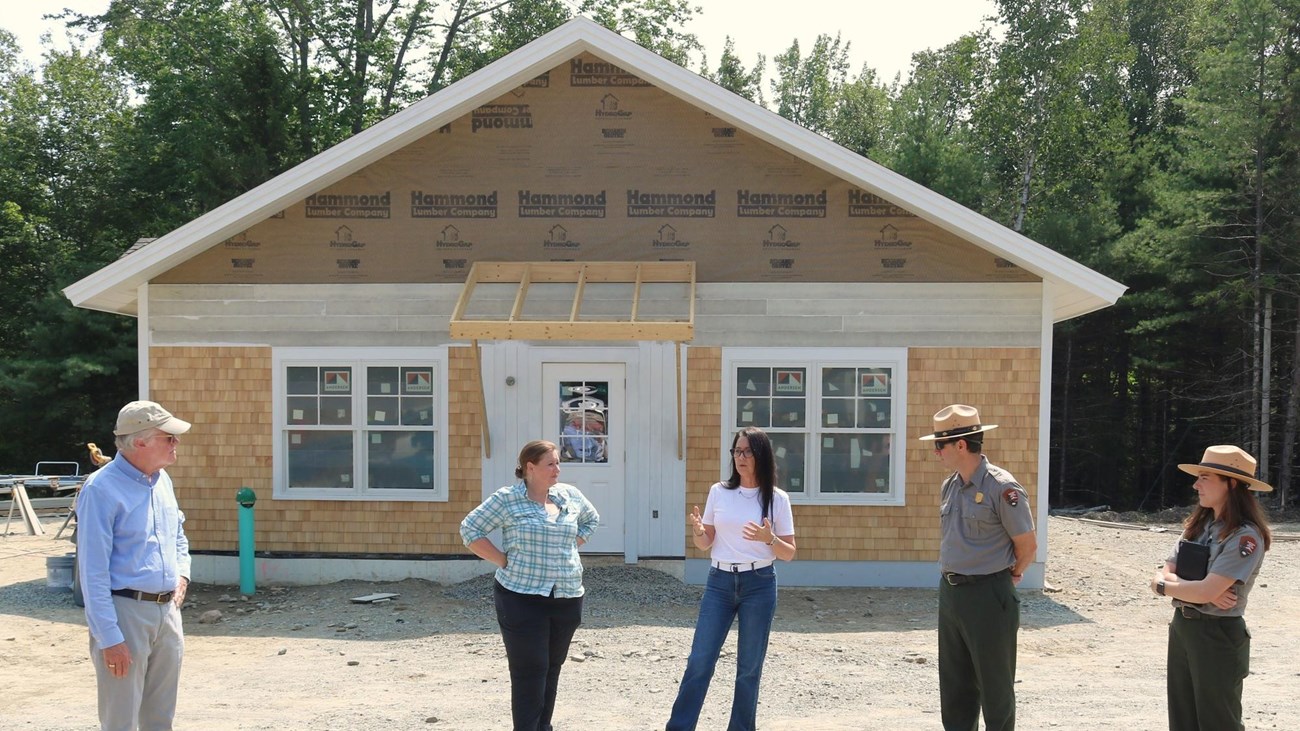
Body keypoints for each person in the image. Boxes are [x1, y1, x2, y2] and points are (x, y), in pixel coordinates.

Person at [459, 440, 600, 731]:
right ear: (530, 468)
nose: (557, 469)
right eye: (551, 464)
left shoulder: (569, 495)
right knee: (529, 670)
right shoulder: (508, 499)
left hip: (567, 597)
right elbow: (470, 529)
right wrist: (501, 559)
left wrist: (571, 545)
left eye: (558, 463)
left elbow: (591, 520)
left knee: (551, 668)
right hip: (521, 598)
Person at [666, 426, 796, 731]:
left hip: (759, 583)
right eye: (737, 451)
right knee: (700, 660)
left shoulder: (777, 499)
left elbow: (789, 552)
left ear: (761, 455)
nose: (741, 457)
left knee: (749, 668)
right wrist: (699, 532)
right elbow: (705, 542)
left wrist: (770, 538)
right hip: (719, 582)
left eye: (748, 451)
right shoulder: (719, 491)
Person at [76, 400, 193, 731]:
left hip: (167, 611)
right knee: (121, 720)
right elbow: (92, 572)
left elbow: (178, 537)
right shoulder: (101, 489)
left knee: (160, 718)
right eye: (168, 437)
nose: (176, 443)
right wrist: (109, 638)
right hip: (124, 612)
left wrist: (182, 576)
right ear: (140, 442)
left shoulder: (162, 480)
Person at [921, 404, 1036, 731]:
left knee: (995, 690)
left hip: (988, 593)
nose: (935, 452)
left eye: (939, 445)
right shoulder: (950, 486)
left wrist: (1008, 577)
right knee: (955, 689)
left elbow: (1027, 545)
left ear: (960, 444)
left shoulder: (1002, 487)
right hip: (952, 594)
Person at [1149, 445, 1272, 731]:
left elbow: (1197, 590)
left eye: (1205, 477)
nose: (1196, 484)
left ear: (1231, 484)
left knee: (1218, 723)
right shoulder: (1198, 525)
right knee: (1183, 720)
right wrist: (1177, 586)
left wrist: (1170, 586)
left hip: (1217, 634)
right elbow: (1163, 575)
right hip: (1183, 628)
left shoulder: (1245, 536)